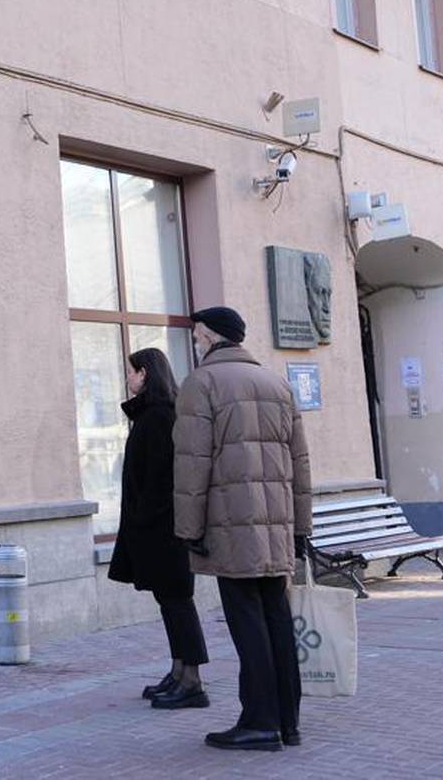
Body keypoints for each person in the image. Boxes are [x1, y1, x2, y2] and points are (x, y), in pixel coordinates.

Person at [174, 306, 312, 753]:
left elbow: (192, 465)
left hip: (231, 527)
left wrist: (189, 530)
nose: (195, 342)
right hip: (276, 527)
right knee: (277, 621)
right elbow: (301, 464)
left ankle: (258, 722)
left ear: (211, 336)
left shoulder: (202, 384)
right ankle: (287, 722)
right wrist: (300, 529)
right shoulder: (277, 384)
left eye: (196, 334)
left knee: (247, 624)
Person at [106, 348, 209, 709]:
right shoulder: (153, 415)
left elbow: (160, 481)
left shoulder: (161, 418)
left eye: (131, 372)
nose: (128, 378)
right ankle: (179, 670)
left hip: (164, 532)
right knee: (170, 603)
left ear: (145, 374)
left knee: (178, 603)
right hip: (158, 530)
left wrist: (146, 521)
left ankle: (192, 681)